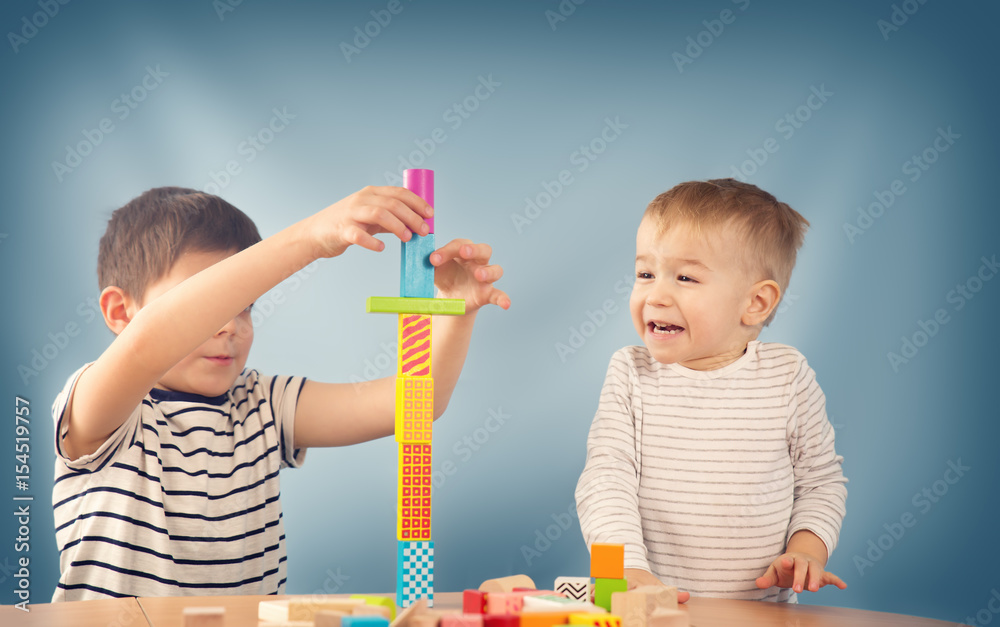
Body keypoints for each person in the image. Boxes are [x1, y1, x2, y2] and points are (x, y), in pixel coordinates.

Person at [51, 185, 509, 601]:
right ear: (119, 310)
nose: (230, 324)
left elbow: (415, 405)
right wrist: (309, 238)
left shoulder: (262, 404)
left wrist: (456, 313)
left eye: (244, 306)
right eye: (208, 302)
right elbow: (148, 343)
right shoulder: (102, 410)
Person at [575, 179, 847, 603]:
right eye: (645, 273)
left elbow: (820, 481)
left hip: (761, 612)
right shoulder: (630, 372)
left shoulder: (787, 376)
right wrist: (624, 571)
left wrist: (805, 550)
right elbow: (605, 481)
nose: (655, 294)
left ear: (755, 303)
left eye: (685, 277)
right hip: (653, 608)